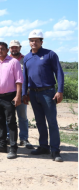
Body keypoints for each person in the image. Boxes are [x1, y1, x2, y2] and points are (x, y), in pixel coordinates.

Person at [23, 30, 64, 162]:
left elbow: (59, 72)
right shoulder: (27, 57)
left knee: (52, 122)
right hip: (33, 93)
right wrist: (24, 93)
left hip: (48, 93)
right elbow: (24, 77)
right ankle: (43, 146)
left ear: (41, 41)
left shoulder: (50, 54)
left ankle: (55, 150)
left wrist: (60, 90)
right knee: (39, 121)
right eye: (31, 40)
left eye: (36, 40)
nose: (33, 42)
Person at [0, 42, 23, 159]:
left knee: (11, 122)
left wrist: (18, 96)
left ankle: (13, 148)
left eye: (2, 49)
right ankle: (2, 145)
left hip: (9, 97)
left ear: (7, 50)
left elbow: (19, 80)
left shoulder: (14, 62)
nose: (0, 51)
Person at [6, 40, 33, 149]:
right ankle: (9, 137)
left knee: (22, 116)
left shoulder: (25, 59)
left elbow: (29, 76)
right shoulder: (5, 59)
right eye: (12, 47)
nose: (14, 49)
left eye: (16, 47)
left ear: (20, 48)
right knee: (8, 116)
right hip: (8, 93)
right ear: (9, 49)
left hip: (21, 93)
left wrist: (27, 92)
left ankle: (24, 139)